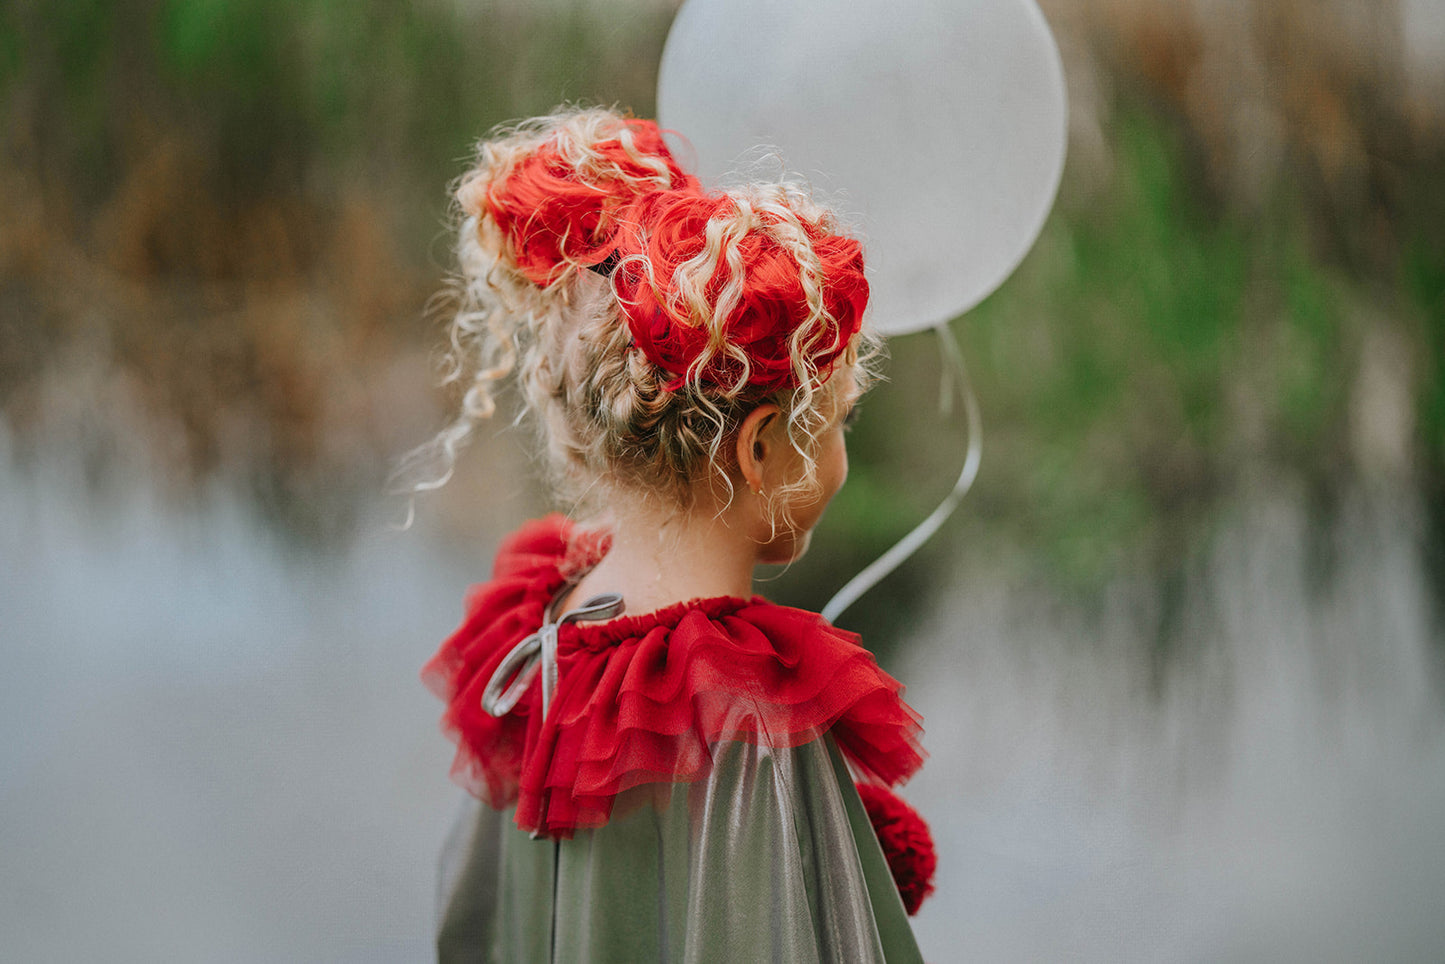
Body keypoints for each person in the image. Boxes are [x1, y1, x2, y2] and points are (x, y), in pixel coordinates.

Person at [417, 106, 933, 963]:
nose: (843, 456)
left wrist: (830, 855)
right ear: (762, 446)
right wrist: (829, 865)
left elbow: (480, 926)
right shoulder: (751, 728)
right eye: (840, 422)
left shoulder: (539, 627)